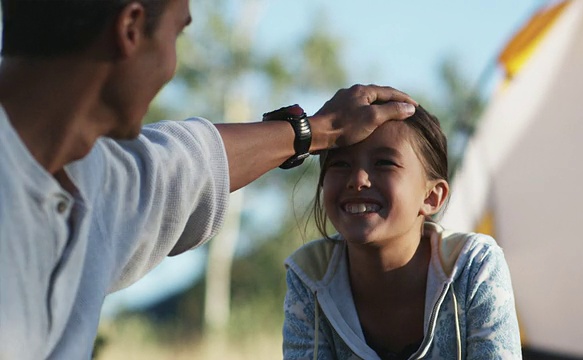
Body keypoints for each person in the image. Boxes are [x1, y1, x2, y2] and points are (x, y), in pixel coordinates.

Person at [0, 0, 418, 358]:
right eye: (175, 36)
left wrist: (319, 130)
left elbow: (190, 162)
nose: (171, 66)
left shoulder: (95, 179)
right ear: (129, 29)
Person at [282, 105, 522, 359]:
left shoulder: (472, 266)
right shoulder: (310, 275)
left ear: (431, 197)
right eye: (340, 163)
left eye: (384, 163)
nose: (358, 179)